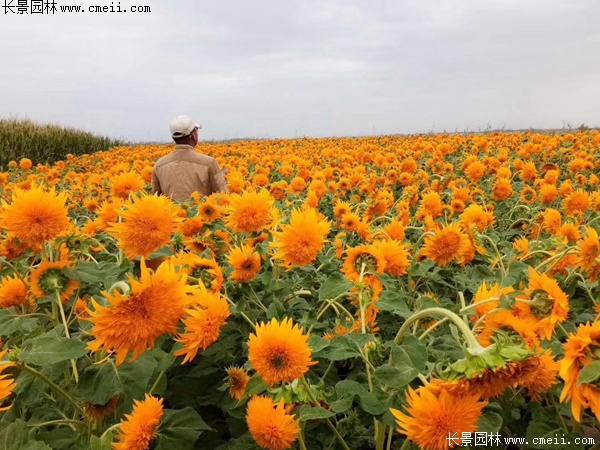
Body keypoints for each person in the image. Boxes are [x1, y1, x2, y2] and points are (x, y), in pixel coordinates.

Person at [151, 115, 228, 201]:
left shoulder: (160, 165)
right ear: (193, 136)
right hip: (199, 213)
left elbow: (155, 199)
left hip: (170, 213)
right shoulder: (209, 162)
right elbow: (223, 195)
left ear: (174, 137)